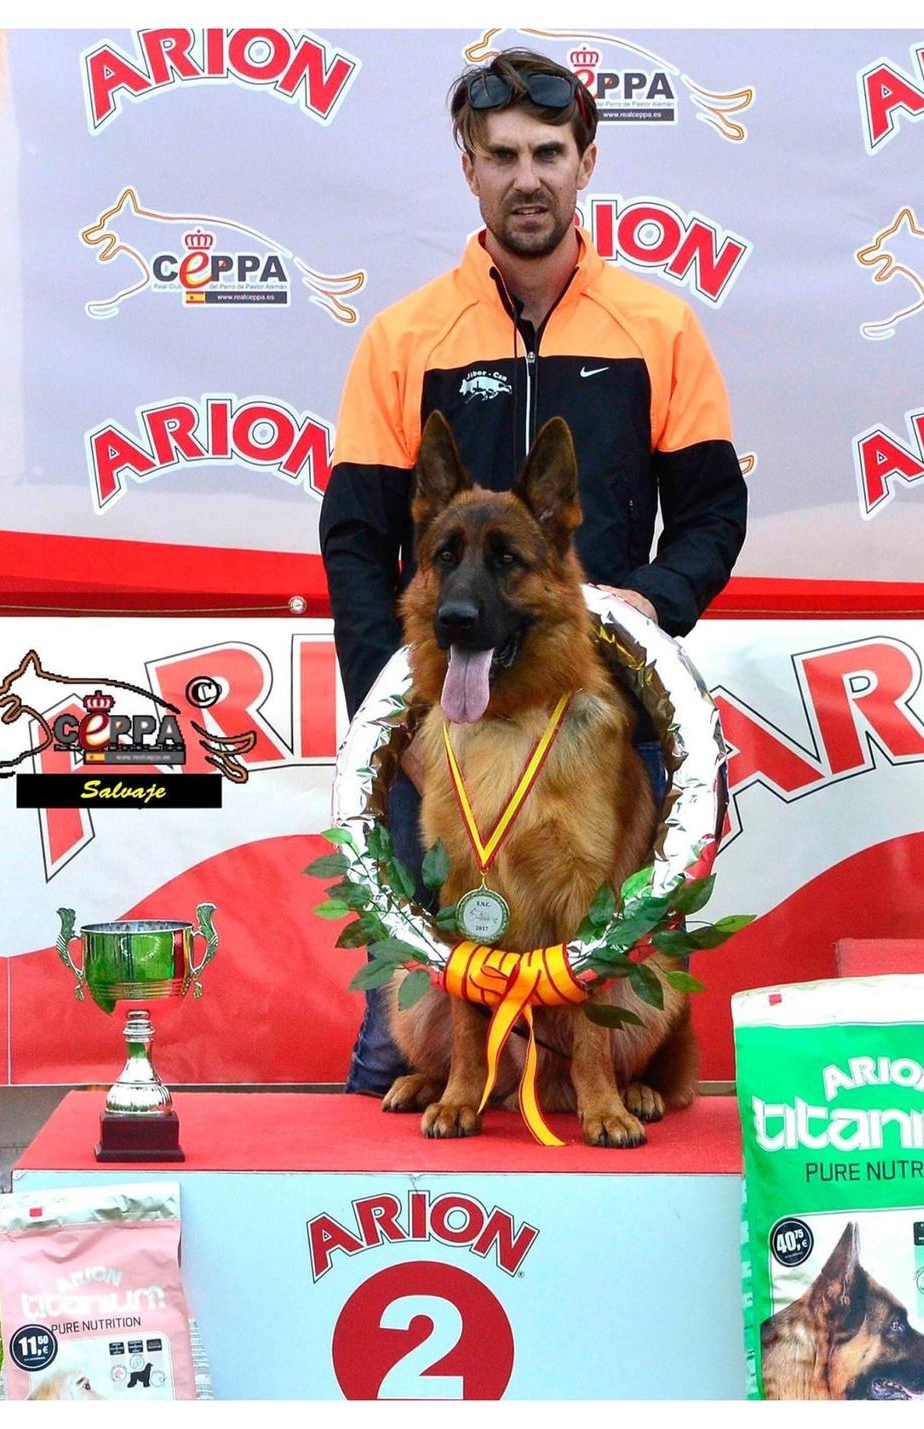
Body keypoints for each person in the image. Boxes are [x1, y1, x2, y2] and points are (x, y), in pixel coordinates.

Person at [321, 50, 747, 1095]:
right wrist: (409, 727)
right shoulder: (402, 336)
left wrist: (653, 597)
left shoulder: (659, 327)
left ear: (585, 162)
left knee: (612, 997)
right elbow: (355, 540)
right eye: (503, 154)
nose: (528, 177)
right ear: (469, 168)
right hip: (447, 733)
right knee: (397, 1053)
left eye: (548, 153)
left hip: (599, 729)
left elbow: (712, 511)